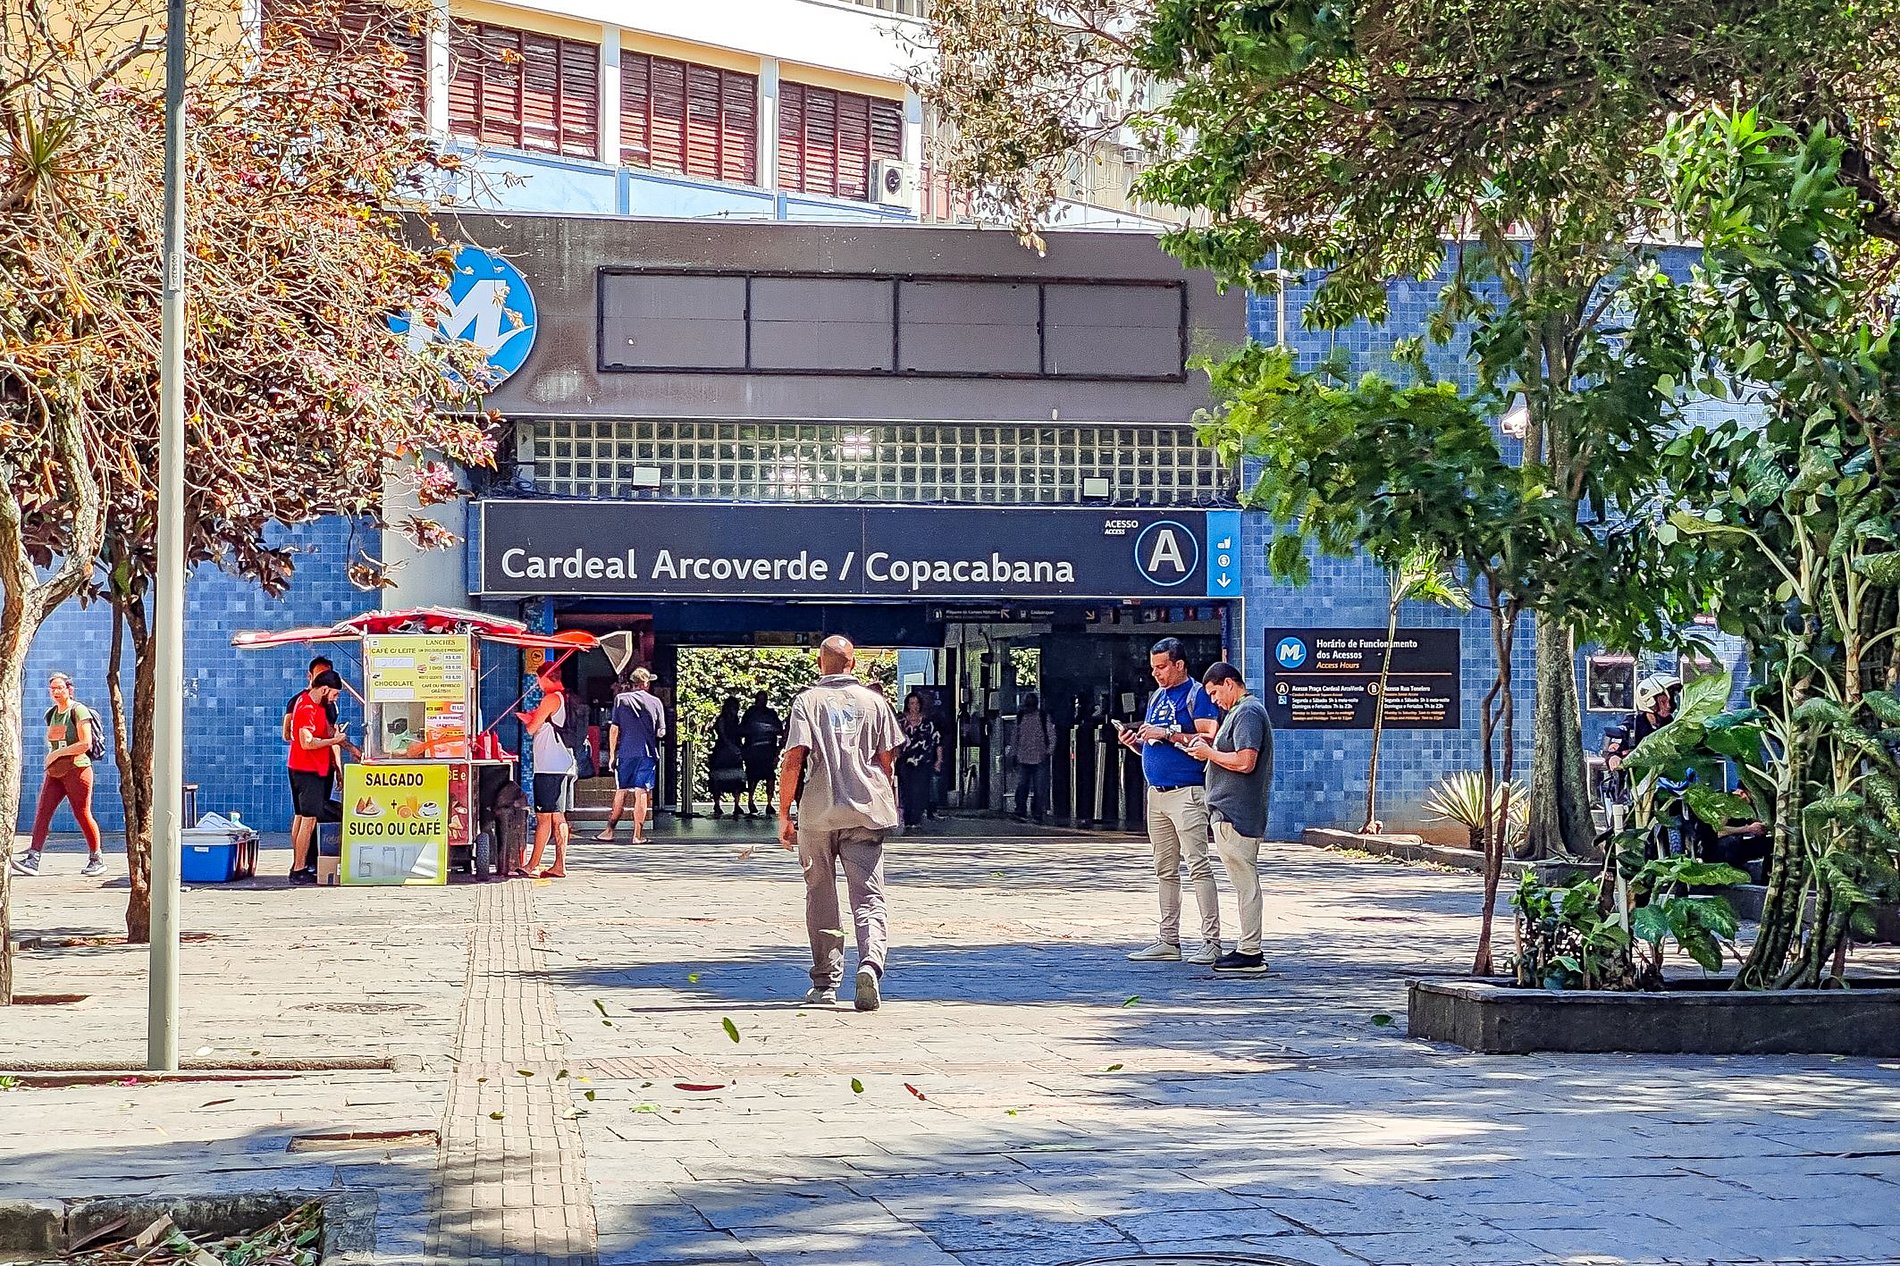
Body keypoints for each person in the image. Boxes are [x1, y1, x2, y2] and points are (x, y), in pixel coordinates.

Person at [778, 635, 904, 1012]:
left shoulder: (807, 701)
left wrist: (784, 814)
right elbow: (887, 761)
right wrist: (884, 795)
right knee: (868, 895)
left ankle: (825, 982)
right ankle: (870, 964)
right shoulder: (875, 702)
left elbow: (793, 760)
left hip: (818, 813)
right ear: (853, 663)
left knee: (820, 893)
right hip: (865, 811)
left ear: (820, 663)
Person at [1117, 637, 1224, 964]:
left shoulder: (1197, 695)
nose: (1156, 674)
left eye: (1162, 667)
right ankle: (1168, 939)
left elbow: (1208, 740)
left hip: (1187, 792)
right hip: (1157, 793)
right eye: (1153, 668)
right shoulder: (1157, 697)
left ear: (1179, 664)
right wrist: (1135, 743)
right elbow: (1154, 746)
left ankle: (1212, 941)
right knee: (1164, 869)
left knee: (1197, 866)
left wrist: (1166, 734)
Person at [1183, 662, 1272, 974]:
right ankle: (1248, 948)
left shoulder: (1248, 712)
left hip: (1237, 813)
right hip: (1230, 811)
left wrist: (1209, 754)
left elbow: (1246, 761)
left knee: (1245, 883)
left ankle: (1250, 951)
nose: (1214, 700)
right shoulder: (1239, 712)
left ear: (1230, 684)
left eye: (1214, 692)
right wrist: (1207, 749)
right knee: (1242, 882)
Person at [12, 673, 108, 878]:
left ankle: (96, 858)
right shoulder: (51, 713)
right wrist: (52, 758)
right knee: (43, 812)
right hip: (55, 772)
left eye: (60, 688)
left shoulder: (78, 710)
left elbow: (85, 743)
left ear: (69, 689)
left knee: (82, 813)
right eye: (52, 689)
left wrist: (57, 754)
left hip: (78, 769)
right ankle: (33, 859)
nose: (56, 692)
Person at [289, 669, 356, 884]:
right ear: (325, 689)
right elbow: (307, 742)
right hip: (307, 771)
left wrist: (351, 750)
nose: (335, 699)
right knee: (308, 820)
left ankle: (297, 865)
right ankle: (299, 869)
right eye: (335, 694)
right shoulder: (307, 708)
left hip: (305, 768)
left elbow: (327, 732)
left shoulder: (316, 705)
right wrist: (334, 741)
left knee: (302, 817)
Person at [517, 662, 576, 878]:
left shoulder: (551, 699)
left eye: (538, 679)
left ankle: (532, 865)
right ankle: (559, 865)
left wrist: (529, 719)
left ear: (545, 678)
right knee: (558, 817)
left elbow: (533, 728)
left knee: (544, 818)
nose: (537, 683)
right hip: (564, 765)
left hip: (549, 767)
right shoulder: (566, 698)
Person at [596, 668, 666, 844]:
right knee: (642, 792)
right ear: (646, 683)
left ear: (632, 683)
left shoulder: (621, 699)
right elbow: (661, 732)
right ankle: (637, 835)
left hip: (626, 753)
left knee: (621, 791)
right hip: (647, 753)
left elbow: (614, 729)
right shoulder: (656, 702)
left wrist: (612, 755)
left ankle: (609, 831)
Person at [897, 692, 942, 829]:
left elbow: (937, 742)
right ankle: (908, 818)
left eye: (917, 703)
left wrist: (938, 760)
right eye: (912, 703)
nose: (914, 706)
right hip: (905, 761)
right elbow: (894, 741)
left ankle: (916, 819)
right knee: (906, 790)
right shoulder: (901, 722)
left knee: (920, 790)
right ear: (907, 705)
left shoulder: (928, 723)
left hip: (923, 761)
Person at [1010, 692, 1056, 823]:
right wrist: (1014, 753)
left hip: (1038, 757)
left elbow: (1051, 735)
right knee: (1023, 786)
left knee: (1038, 788)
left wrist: (1048, 751)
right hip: (1025, 757)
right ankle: (1022, 810)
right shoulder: (1021, 717)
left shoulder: (1042, 717)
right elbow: (1015, 737)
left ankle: (1035, 812)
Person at [740, 691, 785, 816]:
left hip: (768, 751)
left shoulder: (771, 714)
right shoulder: (750, 714)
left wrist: (777, 751)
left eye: (763, 699)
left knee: (770, 777)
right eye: (759, 699)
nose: (761, 702)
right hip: (753, 751)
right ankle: (750, 800)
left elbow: (779, 729)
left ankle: (769, 803)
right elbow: (742, 730)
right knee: (752, 778)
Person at [708, 694, 747, 818]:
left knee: (737, 779)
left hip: (734, 752)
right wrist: (732, 747)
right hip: (722, 752)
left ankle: (736, 804)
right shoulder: (722, 719)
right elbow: (722, 735)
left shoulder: (736, 720)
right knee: (718, 779)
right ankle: (717, 804)